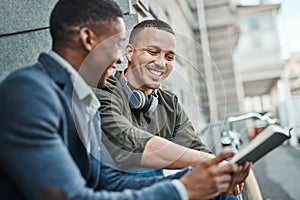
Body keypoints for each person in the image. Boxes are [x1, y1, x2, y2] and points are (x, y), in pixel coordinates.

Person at [0, 1, 240, 200]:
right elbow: (71, 197)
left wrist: (203, 180)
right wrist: (183, 190)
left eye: (168, 56)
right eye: (116, 44)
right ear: (87, 39)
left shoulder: (83, 101)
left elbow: (107, 180)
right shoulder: (28, 92)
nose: (118, 60)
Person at [96, 19, 251, 197]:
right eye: (153, 52)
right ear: (130, 53)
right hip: (121, 190)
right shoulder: (104, 89)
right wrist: (206, 160)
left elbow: (195, 147)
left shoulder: (169, 102)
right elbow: (129, 144)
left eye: (169, 57)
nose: (161, 63)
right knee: (145, 168)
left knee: (222, 187)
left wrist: (221, 170)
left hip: (160, 187)